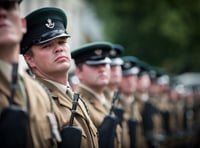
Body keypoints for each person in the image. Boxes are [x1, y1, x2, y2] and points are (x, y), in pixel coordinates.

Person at [20, 7, 99, 148]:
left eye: (62, 42)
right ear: (30, 60)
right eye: (47, 45)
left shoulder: (74, 97)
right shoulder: (37, 102)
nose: (59, 48)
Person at [0, 0, 61, 147]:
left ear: (22, 25)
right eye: (46, 45)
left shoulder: (41, 94)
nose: (2, 13)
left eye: (8, 6)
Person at [71, 41, 122, 148]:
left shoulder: (108, 99)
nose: (102, 69)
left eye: (104, 64)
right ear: (78, 72)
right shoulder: (78, 105)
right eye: (94, 65)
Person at [117, 56, 146, 148]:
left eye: (133, 76)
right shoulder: (116, 105)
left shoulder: (135, 102)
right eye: (125, 77)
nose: (130, 81)